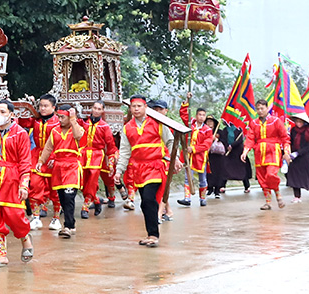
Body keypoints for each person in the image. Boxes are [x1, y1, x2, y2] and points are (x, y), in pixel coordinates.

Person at [0, 100, 36, 267]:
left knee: (14, 215)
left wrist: (24, 184)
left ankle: (25, 237)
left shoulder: (20, 133)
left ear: (11, 115)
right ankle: (1, 256)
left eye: (3, 112)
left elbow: (25, 162)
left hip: (11, 179)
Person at [115, 95, 170, 248]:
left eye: (139, 106)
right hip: (138, 169)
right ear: (130, 108)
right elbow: (125, 151)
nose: (136, 109)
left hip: (155, 166)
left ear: (146, 107)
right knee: (145, 203)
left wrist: (176, 159)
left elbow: (170, 140)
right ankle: (150, 234)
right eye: (134, 106)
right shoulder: (127, 128)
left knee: (148, 198)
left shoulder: (158, 123)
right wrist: (119, 171)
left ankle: (153, 235)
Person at [33, 103, 86, 238]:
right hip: (58, 167)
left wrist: (73, 119)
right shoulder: (55, 131)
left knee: (69, 196)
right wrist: (41, 161)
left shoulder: (78, 128)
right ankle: (69, 224)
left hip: (72, 166)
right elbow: (48, 148)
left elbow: (78, 136)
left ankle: (68, 226)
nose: (60, 120)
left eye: (63, 117)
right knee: (62, 197)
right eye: (58, 117)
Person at [244, 100, 289, 210]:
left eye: (262, 108)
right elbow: (250, 138)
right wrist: (245, 151)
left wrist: (286, 152)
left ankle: (278, 194)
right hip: (259, 153)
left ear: (267, 108)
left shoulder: (276, 121)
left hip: (273, 151)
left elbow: (284, 137)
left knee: (270, 175)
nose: (260, 111)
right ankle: (268, 202)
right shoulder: (254, 123)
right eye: (258, 109)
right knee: (262, 178)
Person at [25, 94, 59, 229]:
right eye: (41, 106)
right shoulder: (36, 120)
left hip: (53, 157)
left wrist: (56, 157)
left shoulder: (58, 122)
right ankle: (36, 217)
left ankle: (56, 218)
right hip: (37, 156)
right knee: (34, 185)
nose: (43, 109)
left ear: (53, 107)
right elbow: (23, 122)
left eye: (46, 106)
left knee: (55, 189)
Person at [80, 100, 115, 217]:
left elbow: (110, 146)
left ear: (102, 111)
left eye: (99, 109)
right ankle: (96, 200)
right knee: (82, 180)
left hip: (97, 155)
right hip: (83, 153)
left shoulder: (105, 126)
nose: (96, 111)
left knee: (92, 178)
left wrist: (110, 164)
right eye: (94, 108)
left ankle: (85, 206)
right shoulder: (83, 123)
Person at [177, 108, 213, 208]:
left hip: (200, 157)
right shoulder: (190, 123)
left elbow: (206, 145)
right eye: (200, 115)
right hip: (188, 156)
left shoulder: (207, 130)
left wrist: (194, 148)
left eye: (203, 115)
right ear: (196, 115)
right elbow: (183, 113)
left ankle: (202, 198)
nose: (201, 117)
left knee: (202, 179)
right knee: (187, 177)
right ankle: (187, 198)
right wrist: (187, 100)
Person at [284, 113, 309, 202]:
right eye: (297, 121)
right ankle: (297, 196)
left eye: (300, 122)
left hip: (305, 157)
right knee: (294, 175)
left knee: (308, 176)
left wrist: (298, 153)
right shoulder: (293, 130)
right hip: (294, 157)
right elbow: (291, 142)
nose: (298, 123)